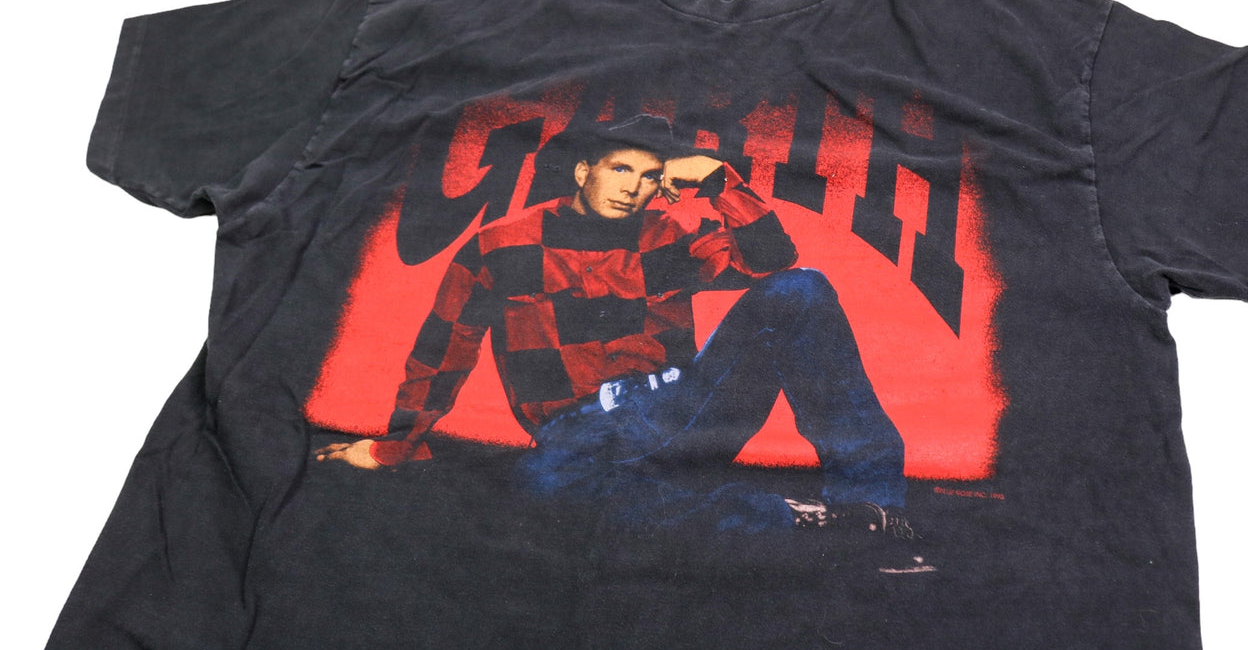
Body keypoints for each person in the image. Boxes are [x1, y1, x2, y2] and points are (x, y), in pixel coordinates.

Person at [315, 115, 910, 536]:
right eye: (620, 168)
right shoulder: (502, 247)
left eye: (650, 176)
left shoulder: (670, 240)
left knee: (799, 288)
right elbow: (443, 351)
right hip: (578, 437)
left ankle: (876, 506)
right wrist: (395, 447)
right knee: (545, 493)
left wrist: (718, 180)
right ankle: (802, 519)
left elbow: (774, 260)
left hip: (679, 414)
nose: (633, 187)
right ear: (583, 171)